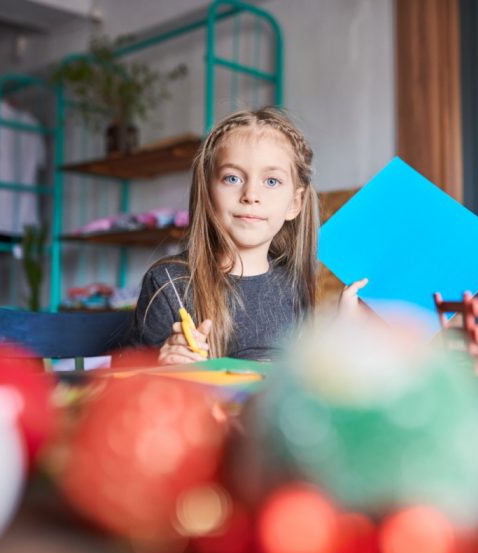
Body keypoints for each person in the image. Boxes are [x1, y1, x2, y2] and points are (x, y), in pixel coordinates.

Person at [134, 107, 365, 364]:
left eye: (271, 181)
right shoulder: (167, 284)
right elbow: (136, 389)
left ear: (295, 203)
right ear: (207, 192)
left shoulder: (294, 284)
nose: (251, 195)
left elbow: (303, 379)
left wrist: (343, 327)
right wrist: (166, 363)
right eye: (232, 178)